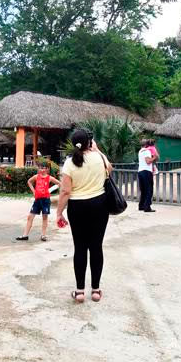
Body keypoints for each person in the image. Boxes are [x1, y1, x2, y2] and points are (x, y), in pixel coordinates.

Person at [56, 129, 112, 303]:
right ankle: (96, 290)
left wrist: (59, 212)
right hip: (99, 205)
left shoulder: (69, 163)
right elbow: (110, 169)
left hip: (77, 207)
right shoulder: (99, 158)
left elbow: (65, 191)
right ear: (90, 142)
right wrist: (98, 151)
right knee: (96, 247)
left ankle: (80, 291)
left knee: (80, 248)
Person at [16, 161, 60, 242]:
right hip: (37, 200)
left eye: (44, 168)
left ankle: (43, 235)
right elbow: (29, 182)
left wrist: (58, 191)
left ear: (47, 169)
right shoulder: (36, 176)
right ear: (38, 169)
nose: (42, 170)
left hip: (45, 200)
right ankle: (25, 235)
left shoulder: (50, 178)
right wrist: (33, 191)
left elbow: (59, 184)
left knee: (45, 217)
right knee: (30, 217)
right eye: (40, 168)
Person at [138, 139, 157, 213]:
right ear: (147, 145)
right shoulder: (147, 151)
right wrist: (154, 157)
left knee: (143, 190)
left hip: (140, 171)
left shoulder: (140, 151)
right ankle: (147, 207)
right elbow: (148, 161)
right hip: (146, 172)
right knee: (149, 190)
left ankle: (141, 205)